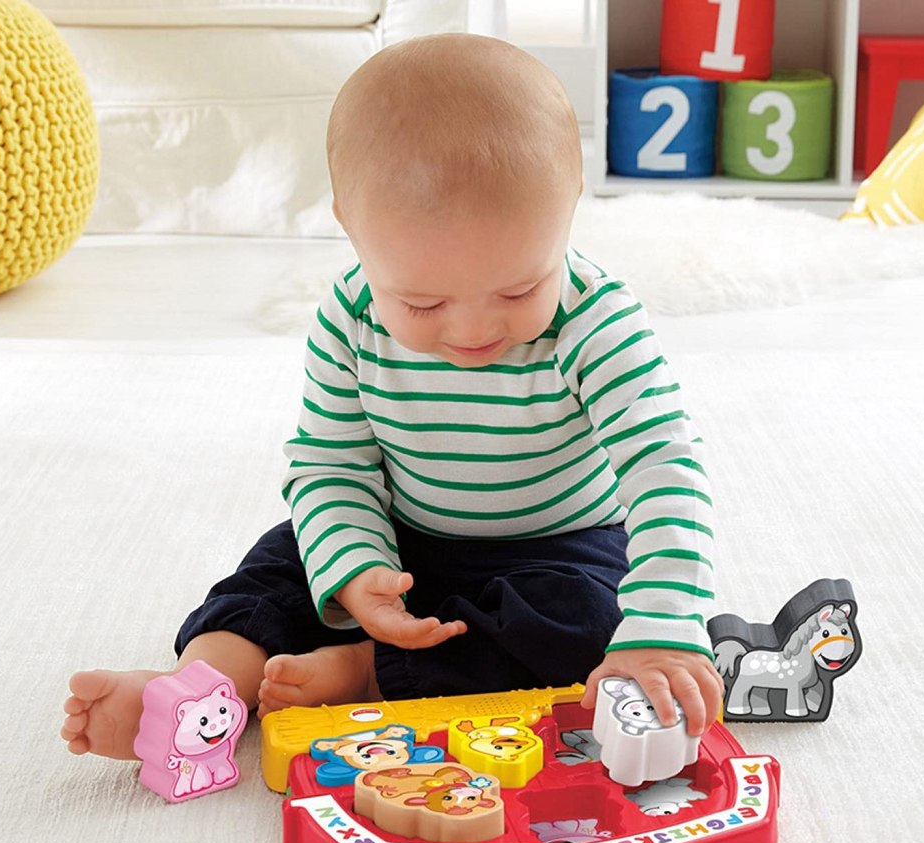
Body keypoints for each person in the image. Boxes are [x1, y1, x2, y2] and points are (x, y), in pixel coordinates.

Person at [61, 33, 723, 762]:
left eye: (518, 289)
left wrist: (661, 630)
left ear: (571, 204)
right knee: (283, 563)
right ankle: (199, 689)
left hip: (559, 551)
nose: (473, 330)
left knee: (585, 623)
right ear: (351, 226)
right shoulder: (348, 319)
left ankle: (368, 673)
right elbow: (330, 468)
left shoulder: (598, 320)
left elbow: (664, 466)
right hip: (403, 542)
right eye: (423, 301)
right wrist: (354, 571)